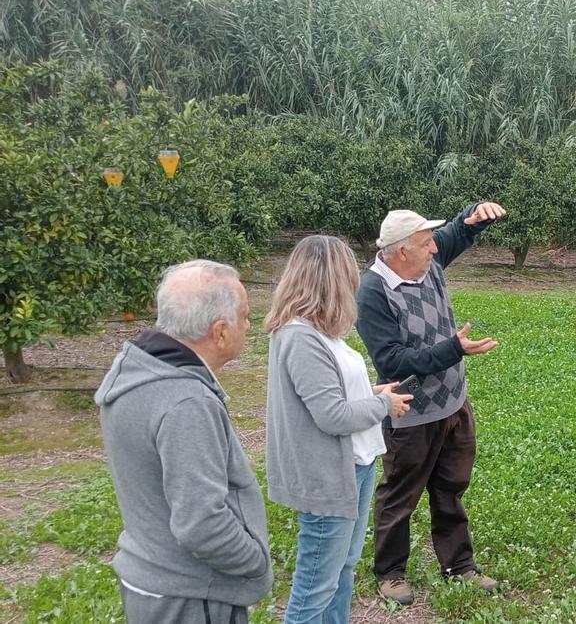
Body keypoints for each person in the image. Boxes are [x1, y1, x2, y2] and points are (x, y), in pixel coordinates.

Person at [96, 260, 272, 624]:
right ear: (219, 332)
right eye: (245, 316)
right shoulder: (188, 402)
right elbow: (202, 524)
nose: (248, 325)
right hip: (191, 595)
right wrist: (255, 562)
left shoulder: (139, 371)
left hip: (152, 580)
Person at [355, 202, 506, 605]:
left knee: (450, 489)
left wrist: (474, 215)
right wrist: (454, 349)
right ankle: (390, 573)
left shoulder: (425, 260)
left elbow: (455, 232)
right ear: (402, 250)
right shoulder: (372, 292)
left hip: (453, 405)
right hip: (409, 412)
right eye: (426, 244)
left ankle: (459, 565)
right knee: (399, 496)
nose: (435, 249)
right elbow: (392, 361)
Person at [265, 235, 414, 623]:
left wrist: (372, 392)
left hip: (356, 466)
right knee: (315, 586)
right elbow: (332, 416)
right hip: (329, 475)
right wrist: (383, 405)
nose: (355, 281)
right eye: (349, 272)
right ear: (332, 278)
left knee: (341, 570)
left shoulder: (321, 332)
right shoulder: (299, 336)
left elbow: (331, 395)